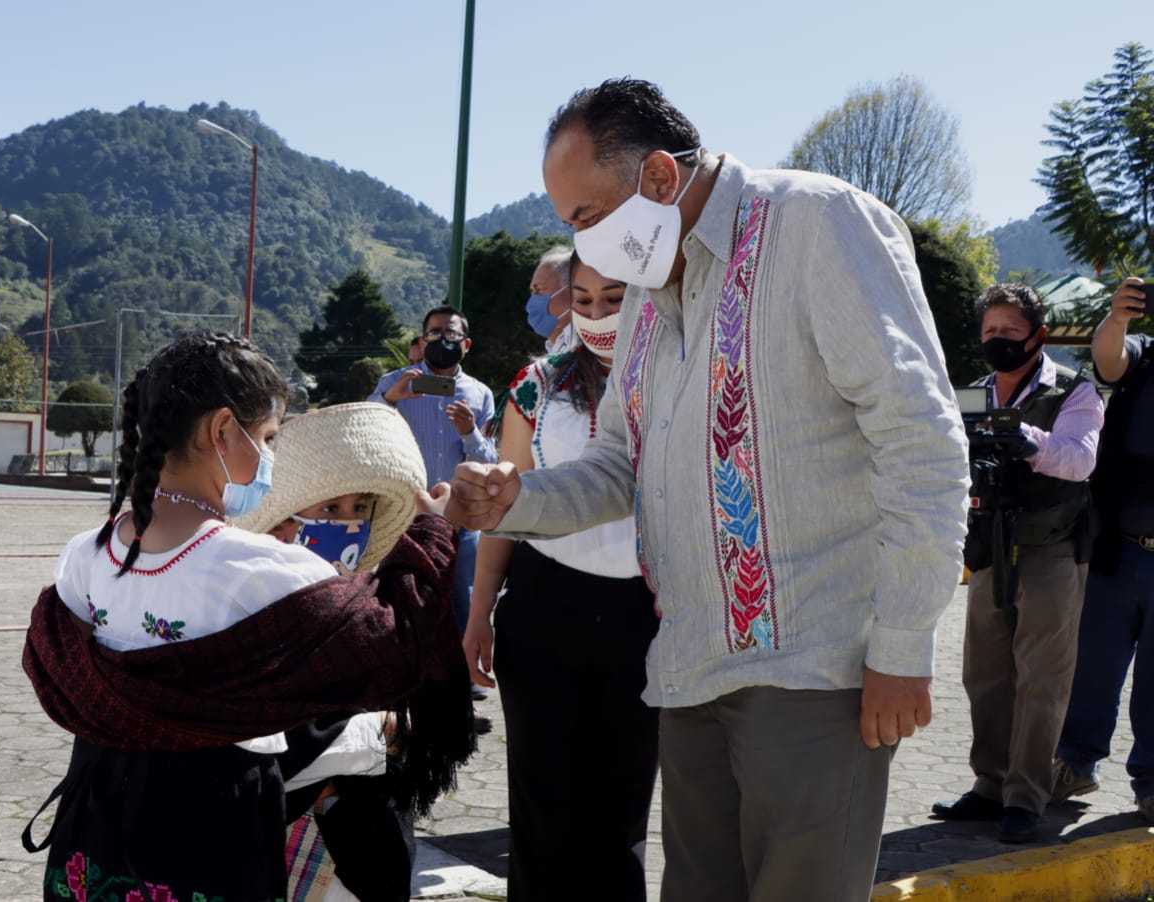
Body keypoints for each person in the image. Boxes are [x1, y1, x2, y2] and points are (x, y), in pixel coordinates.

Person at [447, 77, 969, 902]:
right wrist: (519, 499)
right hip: (688, 670)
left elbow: (923, 441)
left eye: (585, 217)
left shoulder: (817, 223)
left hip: (814, 672)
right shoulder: (653, 298)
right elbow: (621, 462)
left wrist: (903, 647)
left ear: (658, 177)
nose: (583, 243)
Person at [21, 332, 471, 902]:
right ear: (223, 431)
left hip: (102, 814)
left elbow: (57, 665)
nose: (272, 458)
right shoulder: (262, 569)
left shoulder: (85, 555)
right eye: (268, 438)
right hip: (210, 825)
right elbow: (396, 644)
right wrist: (431, 532)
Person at [465, 254, 658, 900]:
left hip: (644, 617)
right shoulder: (536, 386)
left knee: (622, 818)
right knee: (543, 814)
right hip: (545, 607)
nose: (600, 315)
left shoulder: (678, 376)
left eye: (614, 297)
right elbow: (504, 508)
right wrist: (478, 611)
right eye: (583, 299)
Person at [240, 401, 447, 902]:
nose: (349, 523)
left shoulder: (368, 597)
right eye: (330, 509)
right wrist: (384, 733)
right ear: (284, 525)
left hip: (372, 837)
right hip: (290, 834)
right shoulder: (258, 609)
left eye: (360, 509)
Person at [930, 283, 1102, 842]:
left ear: (1039, 335)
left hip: (1051, 549)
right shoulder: (974, 393)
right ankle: (989, 785)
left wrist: (1021, 435)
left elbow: (1080, 461)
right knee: (984, 672)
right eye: (990, 332)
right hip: (988, 548)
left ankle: (1026, 798)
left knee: (1042, 678)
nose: (998, 341)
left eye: (1009, 331)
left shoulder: (1075, 391)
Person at [1052, 276, 1154, 826]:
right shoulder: (1143, 355)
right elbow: (1108, 360)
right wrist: (1117, 319)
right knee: (1091, 667)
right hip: (1120, 551)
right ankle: (1073, 763)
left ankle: (1151, 783)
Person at [369, 305, 498, 698]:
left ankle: (462, 679)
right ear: (422, 339)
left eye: (451, 334)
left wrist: (470, 432)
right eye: (435, 332)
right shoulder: (394, 382)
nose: (443, 339)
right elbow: (364, 432)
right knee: (402, 596)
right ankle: (405, 678)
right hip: (404, 516)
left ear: (466, 343)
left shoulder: (480, 394)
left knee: (463, 599)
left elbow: (489, 462)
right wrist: (390, 400)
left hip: (461, 516)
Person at [525, 244, 576, 354]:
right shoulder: (556, 349)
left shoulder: (592, 353)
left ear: (573, 291)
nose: (532, 302)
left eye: (539, 289)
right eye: (532, 292)